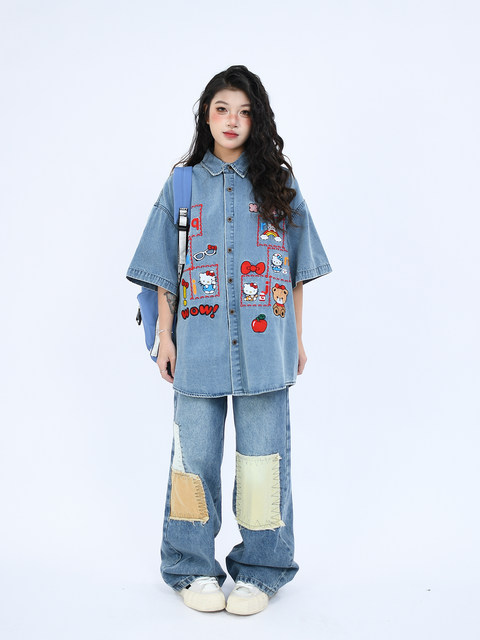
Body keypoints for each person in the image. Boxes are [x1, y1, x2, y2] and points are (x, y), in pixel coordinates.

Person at [126, 65, 332, 615]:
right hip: (197, 347)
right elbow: (162, 270)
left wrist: (297, 340)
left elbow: (295, 271)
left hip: (266, 349)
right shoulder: (182, 184)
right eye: (222, 109)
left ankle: (261, 570)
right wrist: (164, 338)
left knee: (263, 463)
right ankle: (190, 567)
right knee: (192, 464)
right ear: (206, 115)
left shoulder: (279, 184)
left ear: (257, 119)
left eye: (244, 111)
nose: (232, 120)